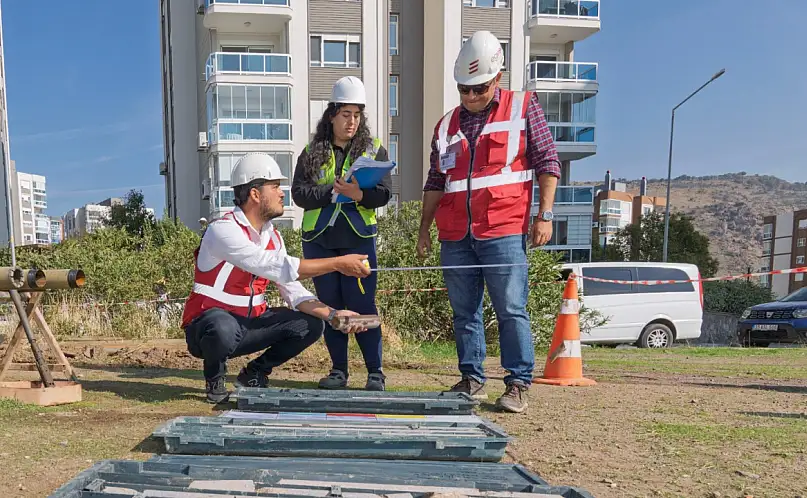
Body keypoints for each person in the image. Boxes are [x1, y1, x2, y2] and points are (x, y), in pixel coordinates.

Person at [416, 31, 561, 414]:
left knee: (511, 308)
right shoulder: (446, 125)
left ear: (497, 78)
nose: (470, 97)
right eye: (464, 89)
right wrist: (423, 229)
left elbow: (548, 161)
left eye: (478, 89)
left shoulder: (523, 108)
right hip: (455, 233)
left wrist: (545, 214)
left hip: (504, 229)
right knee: (464, 312)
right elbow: (436, 180)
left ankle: (517, 383)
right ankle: (472, 378)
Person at [181, 152, 372, 403]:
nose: (283, 193)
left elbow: (292, 289)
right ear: (255, 194)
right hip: (207, 329)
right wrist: (337, 264)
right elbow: (271, 266)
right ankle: (215, 379)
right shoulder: (222, 230)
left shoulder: (274, 238)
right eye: (275, 187)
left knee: (311, 324)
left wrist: (334, 315)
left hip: (248, 327)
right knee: (222, 326)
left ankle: (254, 373)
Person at [291, 76, 392, 392]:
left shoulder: (374, 149)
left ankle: (375, 373)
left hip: (358, 240)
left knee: (362, 305)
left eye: (357, 115)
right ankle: (339, 372)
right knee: (331, 307)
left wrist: (359, 194)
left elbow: (385, 193)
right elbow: (299, 194)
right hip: (319, 242)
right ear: (332, 114)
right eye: (346, 114)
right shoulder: (310, 152)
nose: (352, 121)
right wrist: (332, 193)